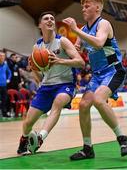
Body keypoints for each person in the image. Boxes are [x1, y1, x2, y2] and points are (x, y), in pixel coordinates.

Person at [63, 0, 127, 160]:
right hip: (97, 75)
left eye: (87, 6)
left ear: (97, 7)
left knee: (98, 99)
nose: (83, 9)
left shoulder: (104, 24)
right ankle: (88, 148)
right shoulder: (84, 30)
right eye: (83, 6)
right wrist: (57, 54)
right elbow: (76, 51)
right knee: (84, 105)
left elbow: (99, 43)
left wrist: (75, 30)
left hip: (113, 70)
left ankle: (123, 139)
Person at [17, 11, 85, 155]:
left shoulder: (63, 41)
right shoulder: (37, 46)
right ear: (40, 25)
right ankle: (24, 140)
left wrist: (60, 60)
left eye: (52, 19)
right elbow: (37, 72)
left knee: (58, 102)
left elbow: (81, 62)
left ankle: (40, 137)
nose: (50, 20)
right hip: (46, 86)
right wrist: (35, 72)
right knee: (29, 121)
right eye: (46, 19)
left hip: (66, 83)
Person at [0, 52, 11, 117]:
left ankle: (4, 113)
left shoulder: (5, 65)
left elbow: (9, 73)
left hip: (4, 85)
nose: (2, 57)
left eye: (3, 56)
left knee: (4, 99)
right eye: (0, 56)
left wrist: (8, 79)